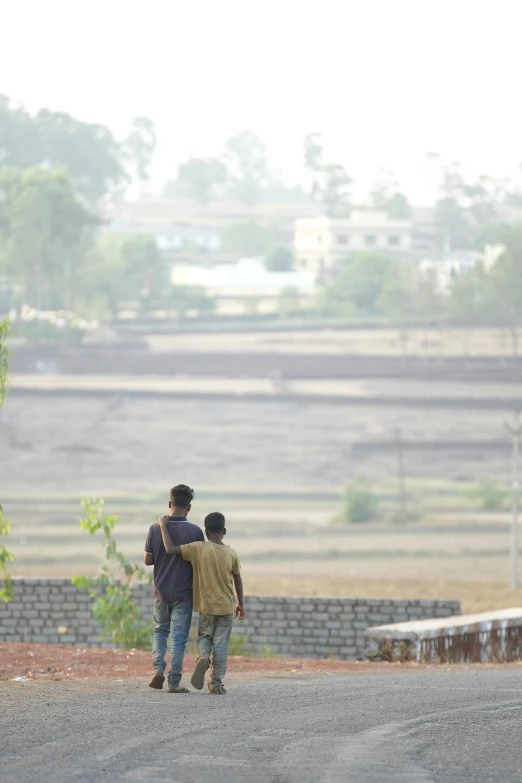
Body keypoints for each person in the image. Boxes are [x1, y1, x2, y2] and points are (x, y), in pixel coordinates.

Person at [158, 511, 245, 694]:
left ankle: (203, 658)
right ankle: (215, 684)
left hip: (205, 606)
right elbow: (238, 579)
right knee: (221, 644)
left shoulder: (198, 548)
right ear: (224, 531)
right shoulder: (231, 553)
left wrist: (163, 526)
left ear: (206, 532)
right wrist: (241, 604)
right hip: (226, 607)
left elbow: (170, 549)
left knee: (205, 637)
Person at [144, 484, 204, 693]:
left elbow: (148, 560)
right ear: (188, 507)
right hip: (184, 593)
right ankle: (174, 682)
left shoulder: (154, 528)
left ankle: (158, 669)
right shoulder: (195, 531)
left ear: (169, 504)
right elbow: (200, 562)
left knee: (160, 631)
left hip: (161, 591)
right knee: (178, 638)